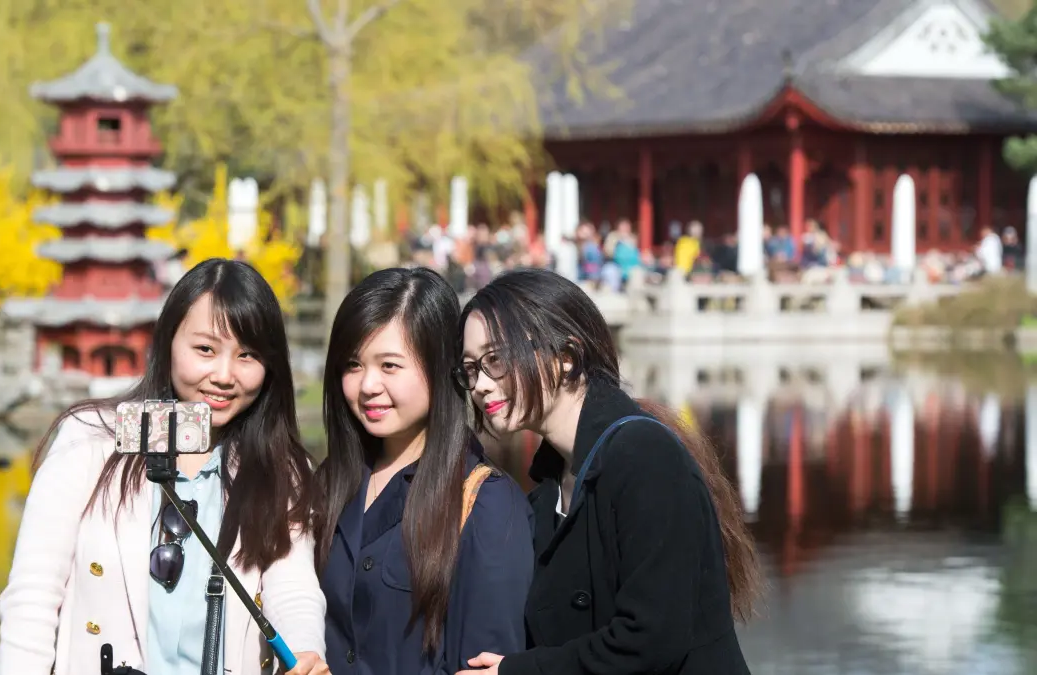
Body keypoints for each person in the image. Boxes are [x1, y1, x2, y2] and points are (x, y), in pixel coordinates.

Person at [0, 259, 329, 675]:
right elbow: (33, 597)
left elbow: (293, 588)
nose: (224, 375)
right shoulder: (90, 439)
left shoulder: (281, 468)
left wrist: (304, 651)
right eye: (205, 349)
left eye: (247, 355)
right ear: (168, 341)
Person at [455, 268, 761, 675]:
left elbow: (651, 639)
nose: (480, 384)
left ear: (565, 357)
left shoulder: (646, 457)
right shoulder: (548, 487)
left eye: (495, 359)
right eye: (471, 369)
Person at [312, 267, 533, 675]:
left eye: (389, 365)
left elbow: (484, 661)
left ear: (439, 366)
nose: (368, 385)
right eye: (353, 365)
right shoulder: (328, 483)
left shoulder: (486, 504)